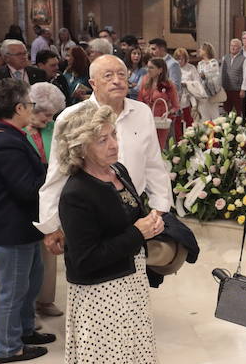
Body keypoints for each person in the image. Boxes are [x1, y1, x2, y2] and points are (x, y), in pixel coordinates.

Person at [55, 105, 164, 364]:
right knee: (104, 360)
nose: (114, 144)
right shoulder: (76, 193)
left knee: (129, 348)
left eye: (113, 135)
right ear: (80, 148)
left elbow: (130, 213)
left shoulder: (116, 172)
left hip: (127, 279)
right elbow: (85, 260)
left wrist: (149, 221)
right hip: (100, 291)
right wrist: (136, 233)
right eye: (102, 140)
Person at [36, 55, 173, 260]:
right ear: (92, 83)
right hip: (90, 217)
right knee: (94, 272)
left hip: (132, 215)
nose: (117, 80)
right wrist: (50, 224)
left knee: (133, 277)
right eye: (108, 76)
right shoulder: (72, 117)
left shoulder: (142, 112)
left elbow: (153, 164)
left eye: (121, 75)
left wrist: (159, 209)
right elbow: (58, 173)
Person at [0, 79, 53, 364]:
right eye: (30, 105)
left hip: (23, 226)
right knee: (13, 290)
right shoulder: (3, 140)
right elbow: (26, 187)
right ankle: (9, 348)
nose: (32, 110)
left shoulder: (12, 134)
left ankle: (25, 331)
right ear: (19, 107)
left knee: (30, 284)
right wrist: (55, 174)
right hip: (9, 228)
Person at [27, 82, 67, 319]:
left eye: (52, 114)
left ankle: (46, 300)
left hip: (52, 195)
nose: (48, 118)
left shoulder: (56, 127)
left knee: (50, 250)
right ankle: (28, 305)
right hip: (27, 196)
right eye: (43, 113)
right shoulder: (18, 130)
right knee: (28, 254)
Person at [136, 56, 179, 150]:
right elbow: (140, 99)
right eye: (148, 67)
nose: (148, 70)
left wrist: (168, 113)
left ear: (160, 70)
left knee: (159, 148)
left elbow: (176, 106)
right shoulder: (144, 80)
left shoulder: (169, 85)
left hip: (161, 121)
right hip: (146, 119)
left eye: (151, 67)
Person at [172, 47, 197, 138]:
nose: (179, 61)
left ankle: (190, 139)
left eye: (181, 58)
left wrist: (186, 84)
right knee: (177, 121)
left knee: (189, 120)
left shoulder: (191, 68)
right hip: (176, 98)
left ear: (185, 58)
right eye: (177, 58)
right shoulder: (173, 68)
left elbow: (197, 82)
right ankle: (179, 141)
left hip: (188, 97)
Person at [195, 42, 223, 122]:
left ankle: (216, 132)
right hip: (202, 92)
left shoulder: (213, 62)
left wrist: (205, 75)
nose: (199, 50)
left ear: (206, 51)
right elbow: (198, 76)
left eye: (201, 49)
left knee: (214, 113)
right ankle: (205, 132)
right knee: (203, 114)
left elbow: (215, 74)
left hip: (211, 90)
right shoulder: (200, 64)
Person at [221, 38, 246, 117]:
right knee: (226, 111)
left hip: (237, 90)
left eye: (235, 46)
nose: (233, 47)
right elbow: (222, 73)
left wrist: (243, 89)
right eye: (231, 45)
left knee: (237, 112)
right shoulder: (225, 58)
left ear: (240, 48)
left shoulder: (244, 60)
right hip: (226, 89)